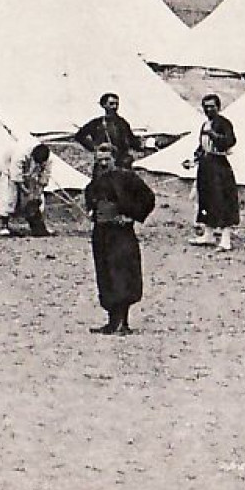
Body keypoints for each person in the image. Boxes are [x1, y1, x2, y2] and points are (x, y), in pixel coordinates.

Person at [84, 144, 156, 335]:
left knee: (122, 275)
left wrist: (132, 216)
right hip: (101, 232)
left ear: (115, 159)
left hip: (121, 234)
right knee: (105, 274)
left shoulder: (127, 178)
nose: (104, 163)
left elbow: (148, 197)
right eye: (100, 160)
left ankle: (122, 322)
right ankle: (111, 321)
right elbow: (89, 195)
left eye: (107, 159)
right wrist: (91, 210)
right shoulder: (96, 180)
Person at [188, 95, 239, 251]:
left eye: (212, 106)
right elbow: (201, 146)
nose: (209, 109)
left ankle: (225, 239)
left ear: (219, 107)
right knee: (206, 199)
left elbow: (230, 141)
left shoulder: (224, 123)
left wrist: (214, 135)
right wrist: (193, 159)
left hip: (219, 167)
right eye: (206, 106)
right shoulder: (205, 124)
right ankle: (208, 234)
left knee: (221, 200)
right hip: (205, 166)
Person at [0, 141, 54, 237]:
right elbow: (16, 174)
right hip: (9, 172)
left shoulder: (48, 159)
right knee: (9, 197)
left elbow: (44, 176)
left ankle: (38, 225)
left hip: (30, 175)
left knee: (38, 200)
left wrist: (37, 192)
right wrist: (25, 191)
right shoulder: (20, 154)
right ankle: (4, 226)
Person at [74, 93, 143, 168]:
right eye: (111, 104)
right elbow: (79, 136)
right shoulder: (96, 123)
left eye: (117, 104)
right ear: (104, 105)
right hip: (104, 162)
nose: (115, 107)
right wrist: (95, 147)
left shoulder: (122, 122)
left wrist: (143, 145)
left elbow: (132, 140)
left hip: (122, 162)